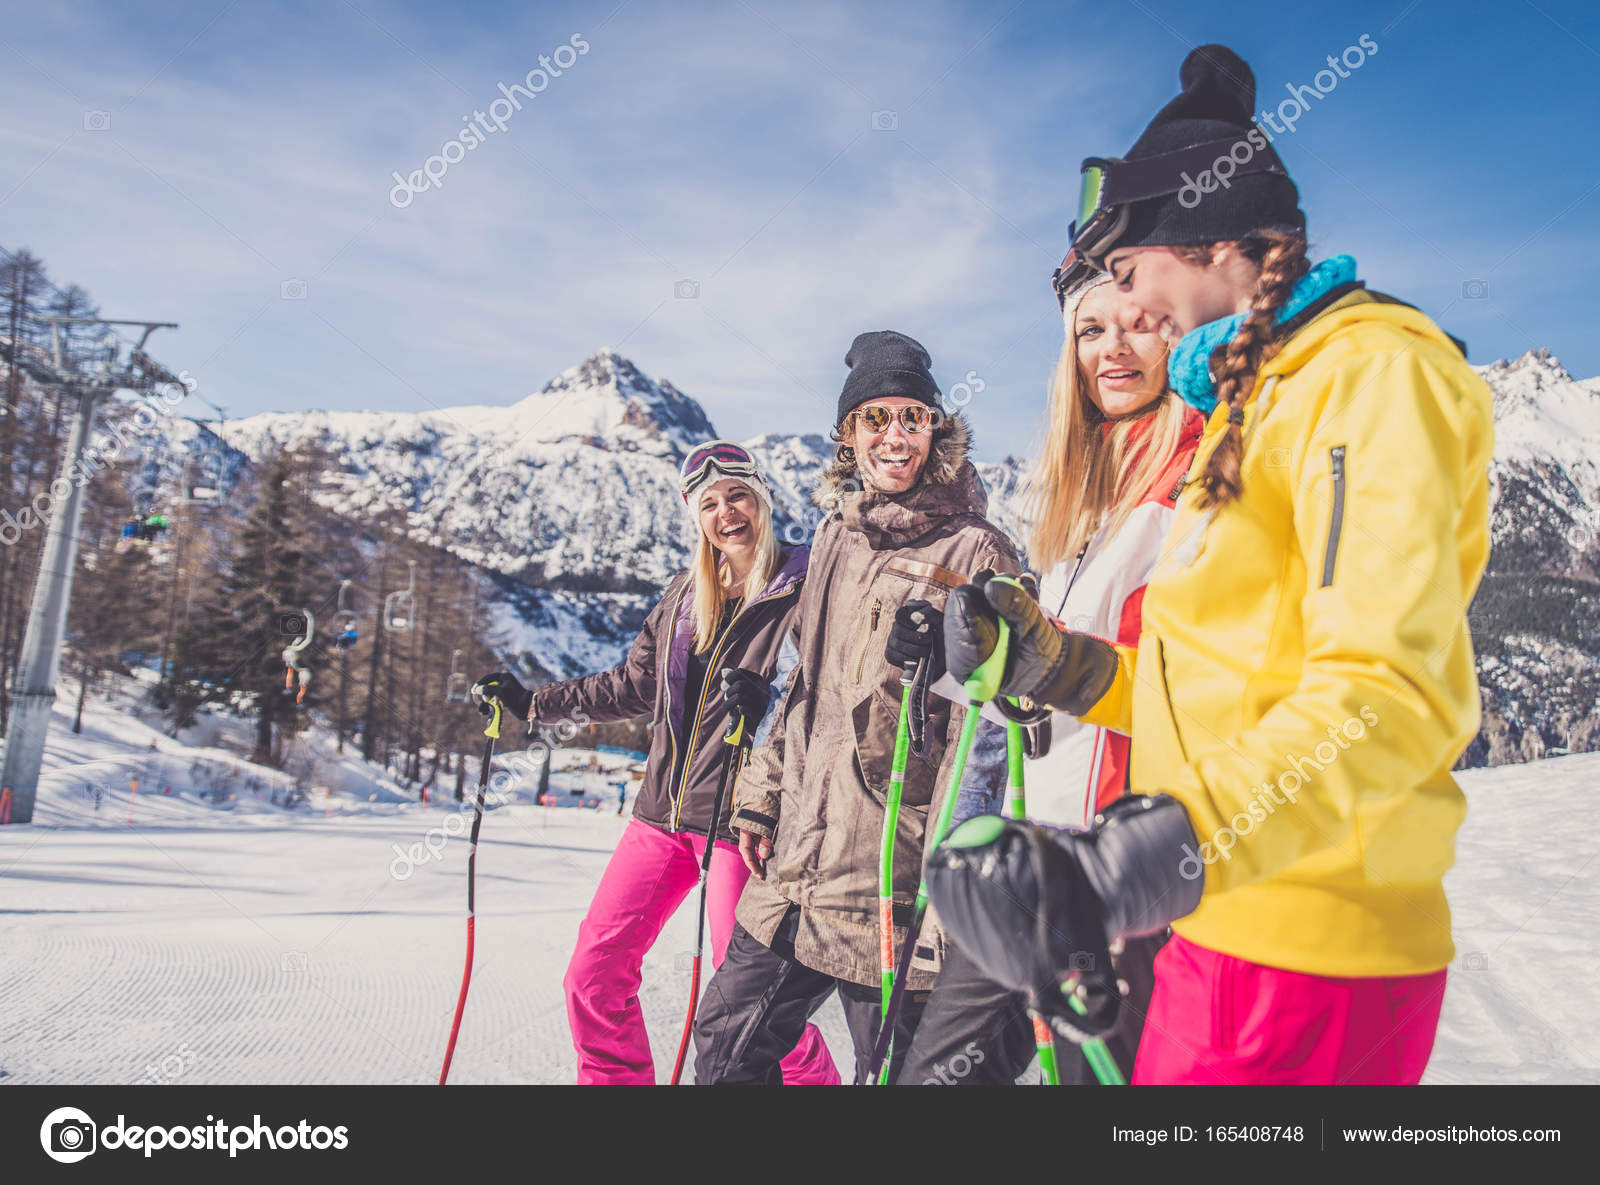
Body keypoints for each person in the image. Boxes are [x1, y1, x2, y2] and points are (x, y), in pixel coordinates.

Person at [927, 45, 1494, 1087]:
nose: (1133, 310)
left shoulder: (1366, 376)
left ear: (1214, 243)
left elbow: (1388, 698)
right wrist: (1058, 666)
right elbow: (1217, 685)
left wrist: (1122, 865)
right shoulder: (1257, 403)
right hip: (1222, 919)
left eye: (1134, 273)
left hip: (1310, 951)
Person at [898, 267, 1202, 1086]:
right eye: (1089, 331)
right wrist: (982, 658)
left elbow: (1202, 691)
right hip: (1041, 851)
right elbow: (1046, 685)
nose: (1112, 349)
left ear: (1178, 329)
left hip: (1123, 869)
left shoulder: (1202, 478)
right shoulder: (1088, 491)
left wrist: (1055, 663)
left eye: (1136, 323)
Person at [692, 330, 1020, 1085]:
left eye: (912, 415)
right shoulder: (835, 535)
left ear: (937, 427)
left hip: (894, 884)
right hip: (799, 870)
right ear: (848, 435)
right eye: (874, 418)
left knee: (903, 1081)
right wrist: (762, 797)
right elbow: (808, 684)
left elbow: (1004, 733)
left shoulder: (979, 552)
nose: (894, 435)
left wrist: (949, 664)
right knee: (725, 1044)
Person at [473, 441, 837, 1086]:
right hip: (661, 818)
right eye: (710, 504)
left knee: (750, 1004)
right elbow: (630, 686)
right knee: (594, 973)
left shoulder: (808, 587)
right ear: (697, 517)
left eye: (738, 496)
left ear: (764, 500)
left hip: (747, 824)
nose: (727, 513)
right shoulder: (684, 596)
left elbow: (831, 692)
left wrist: (773, 696)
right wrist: (534, 704)